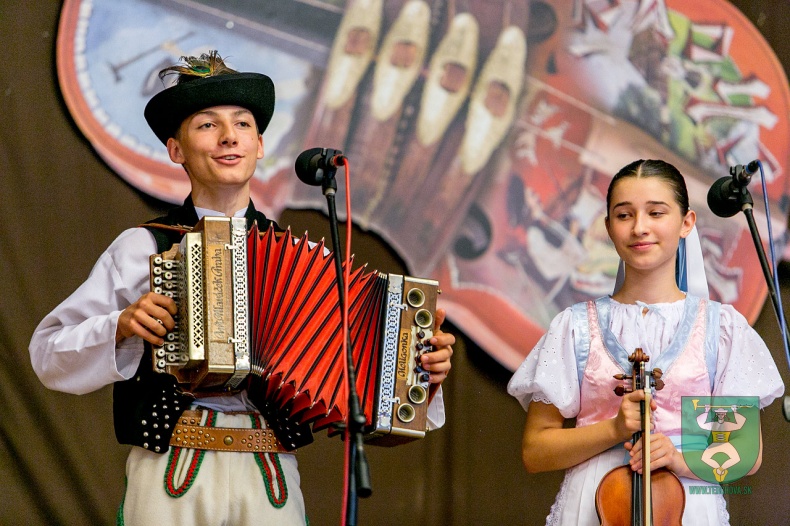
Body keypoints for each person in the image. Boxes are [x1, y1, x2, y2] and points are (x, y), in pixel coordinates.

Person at [29, 51, 455, 526]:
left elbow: (369, 397)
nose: (229, 136)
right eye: (207, 125)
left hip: (269, 474)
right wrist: (121, 327)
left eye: (243, 124)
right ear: (176, 150)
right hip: (174, 469)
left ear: (260, 145)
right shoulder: (144, 246)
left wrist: (420, 373)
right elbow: (48, 354)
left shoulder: (309, 263)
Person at [507, 159, 784, 525]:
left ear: (687, 223)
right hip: (594, 509)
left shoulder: (719, 330)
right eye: (624, 216)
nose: (640, 228)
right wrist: (613, 430)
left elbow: (745, 451)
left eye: (656, 213)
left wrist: (676, 457)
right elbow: (535, 451)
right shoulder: (576, 327)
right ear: (607, 227)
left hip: (685, 508)